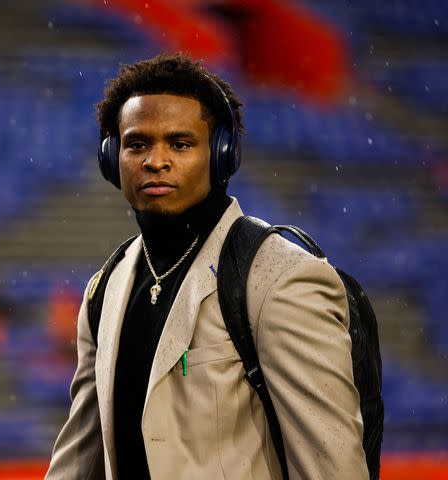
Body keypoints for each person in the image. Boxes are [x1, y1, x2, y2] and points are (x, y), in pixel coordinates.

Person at [45, 53, 368, 480]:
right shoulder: (105, 287)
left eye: (180, 144)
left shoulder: (281, 277)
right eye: (137, 144)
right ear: (111, 158)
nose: (155, 161)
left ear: (221, 154)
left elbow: (333, 466)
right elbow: (80, 455)